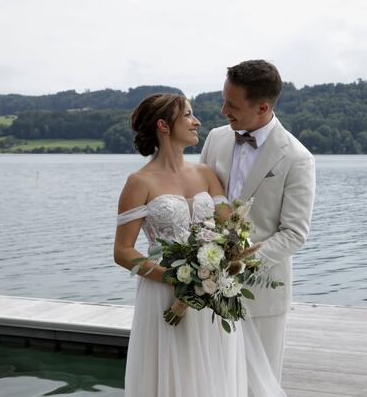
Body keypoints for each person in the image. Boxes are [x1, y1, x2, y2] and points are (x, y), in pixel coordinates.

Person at [114, 93, 285, 396]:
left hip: (211, 290)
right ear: (164, 125)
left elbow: (232, 229)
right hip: (163, 292)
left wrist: (221, 264)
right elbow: (123, 251)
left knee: (213, 369)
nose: (197, 121)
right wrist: (173, 278)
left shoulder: (205, 173)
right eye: (188, 115)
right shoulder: (139, 182)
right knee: (172, 370)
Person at [200, 60, 316, 381]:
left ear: (263, 107)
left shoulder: (297, 158)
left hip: (263, 296)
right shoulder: (215, 139)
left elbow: (294, 233)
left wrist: (239, 262)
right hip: (207, 289)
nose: (223, 110)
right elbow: (201, 202)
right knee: (212, 380)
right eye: (224, 100)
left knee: (258, 384)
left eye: (232, 105)